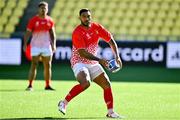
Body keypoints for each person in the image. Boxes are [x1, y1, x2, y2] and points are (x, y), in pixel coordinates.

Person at [58, 8, 123, 118]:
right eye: (84, 16)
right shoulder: (77, 32)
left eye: (88, 16)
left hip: (92, 62)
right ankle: (63, 103)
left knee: (106, 84)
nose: (87, 18)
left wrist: (117, 56)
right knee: (85, 83)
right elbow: (82, 53)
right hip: (78, 61)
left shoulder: (97, 27)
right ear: (80, 18)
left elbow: (111, 40)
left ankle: (111, 112)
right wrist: (100, 60)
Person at [23, 1, 56, 91]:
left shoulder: (50, 20)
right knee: (34, 65)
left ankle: (47, 85)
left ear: (47, 9)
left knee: (48, 65)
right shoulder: (33, 20)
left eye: (45, 8)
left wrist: (54, 44)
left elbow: (52, 33)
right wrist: (25, 44)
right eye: (42, 8)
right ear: (38, 9)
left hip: (46, 46)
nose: (43, 9)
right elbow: (28, 33)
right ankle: (30, 85)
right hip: (35, 46)